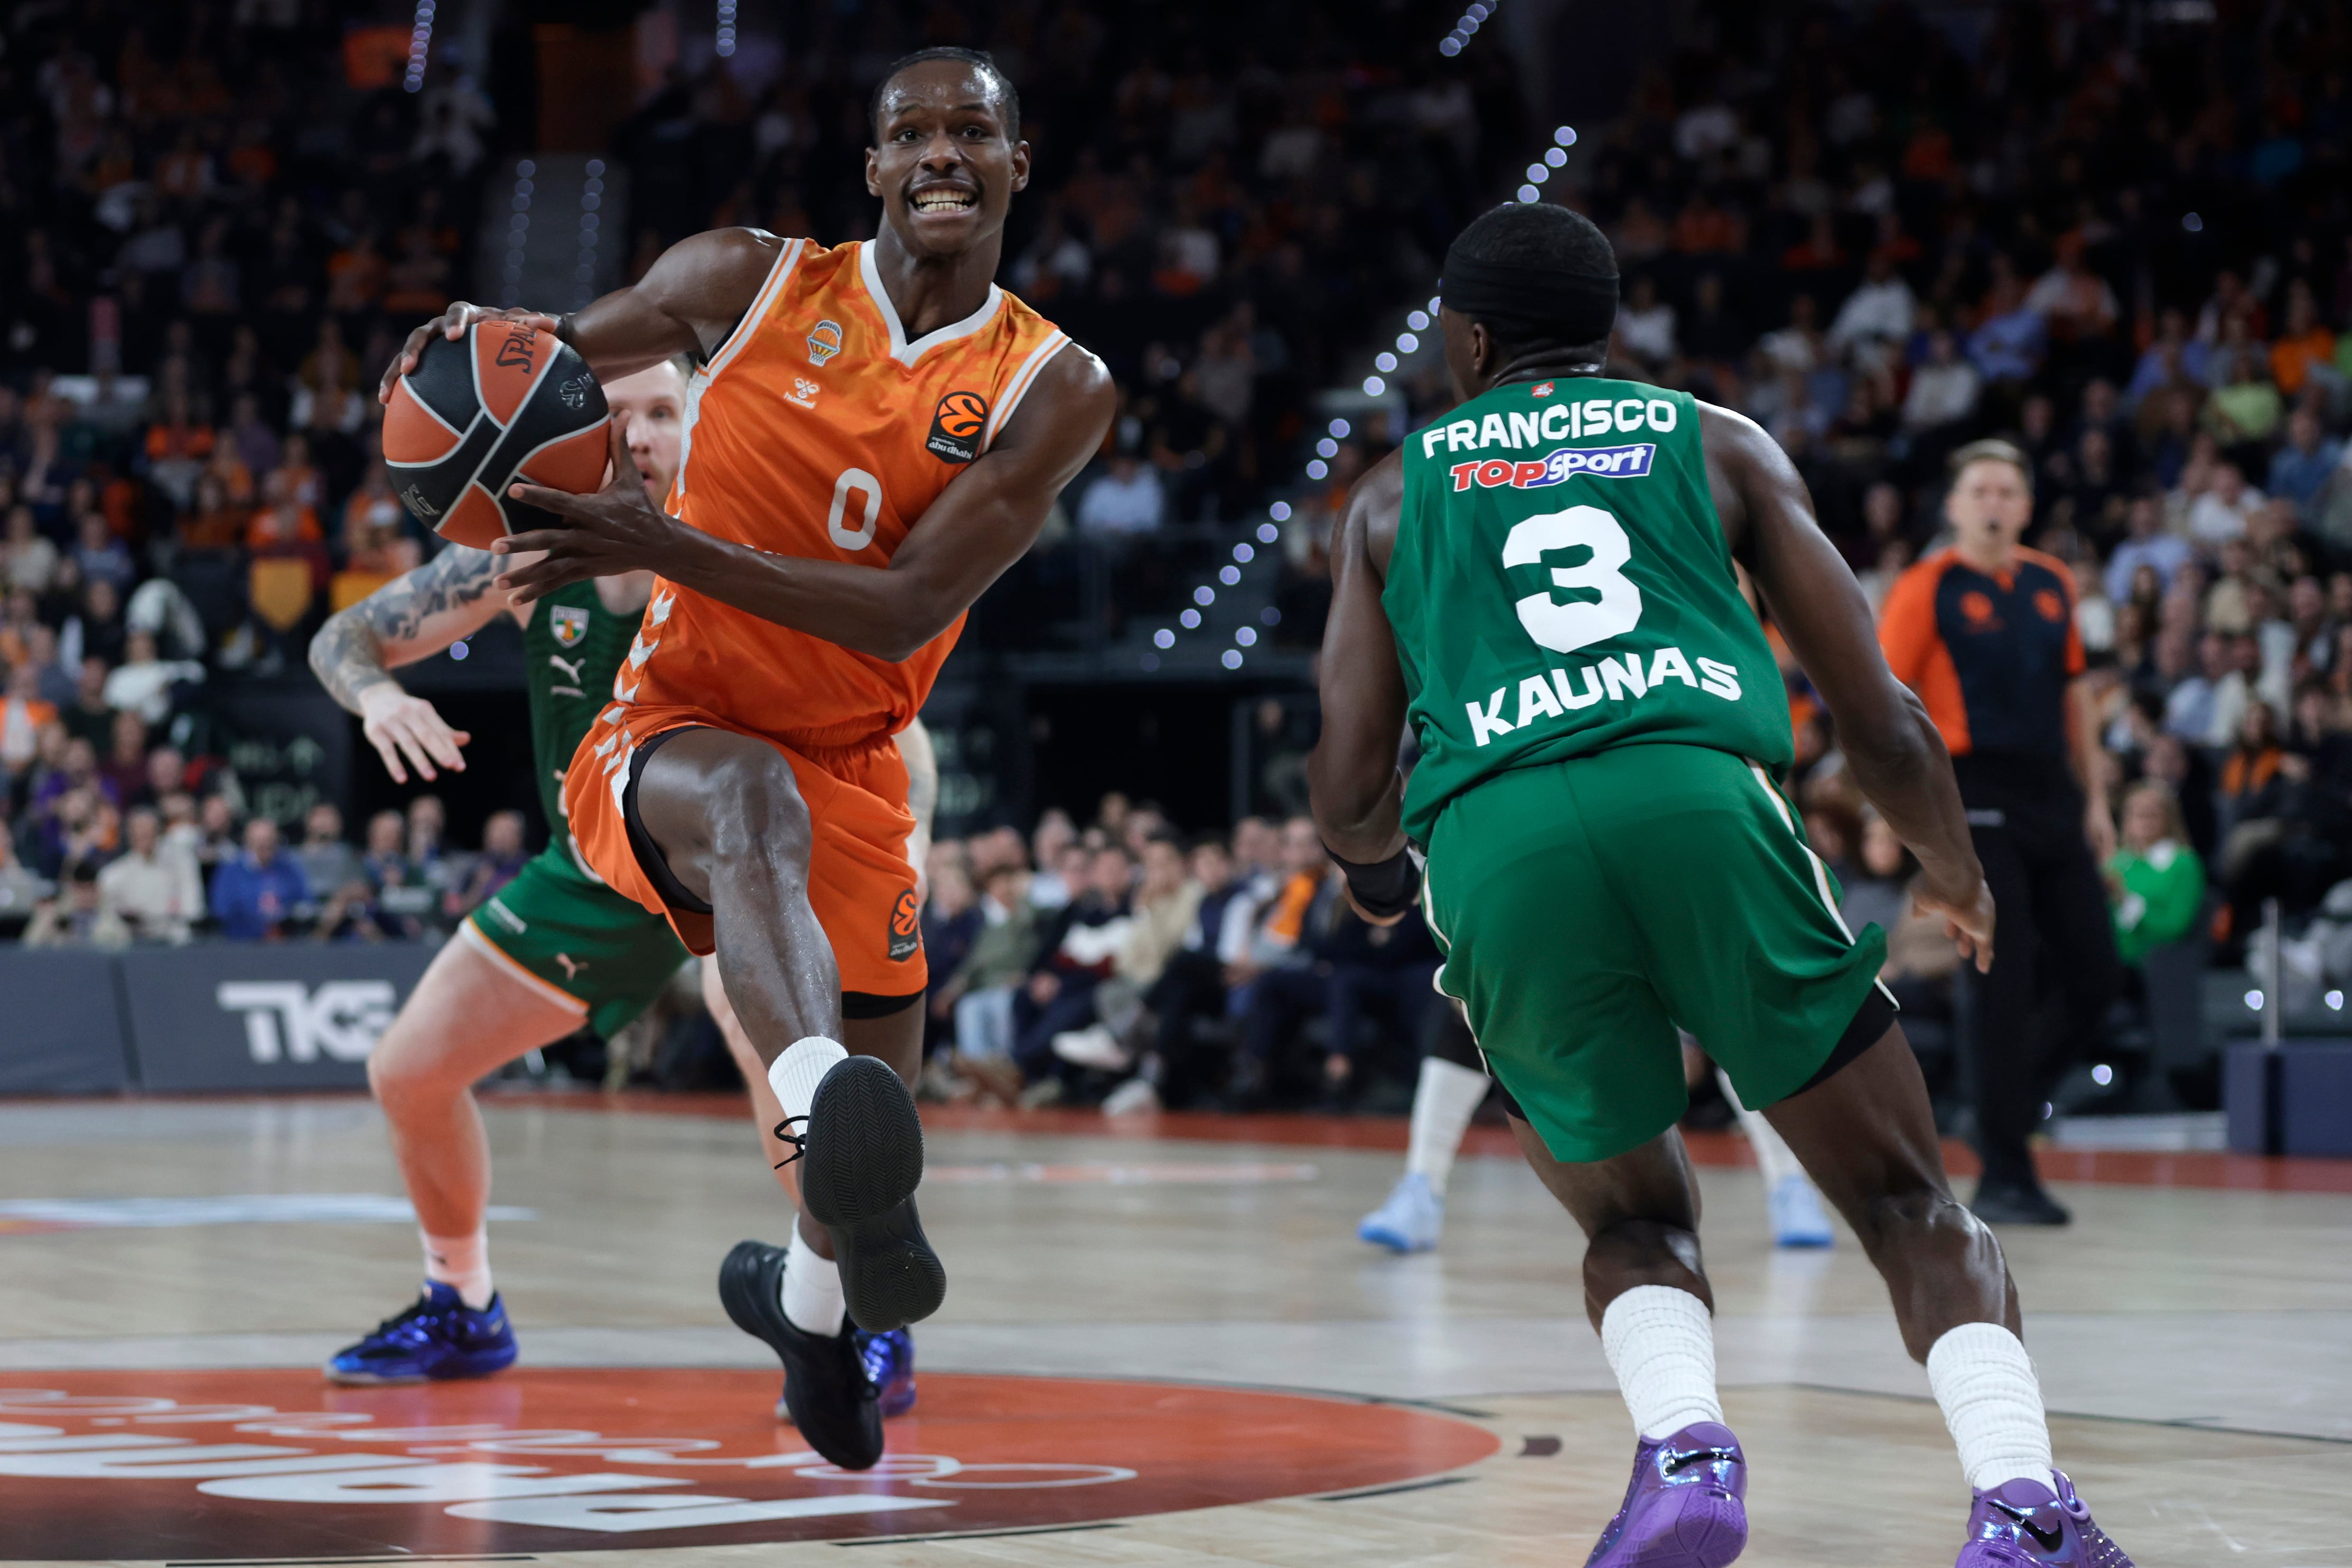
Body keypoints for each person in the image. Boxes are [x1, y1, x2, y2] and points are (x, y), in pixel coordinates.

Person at [1308, 202, 2129, 1567]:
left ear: (1467, 340)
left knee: (1632, 1217)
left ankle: (1686, 1451)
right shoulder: (1716, 441)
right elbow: (1883, 720)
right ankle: (2022, 1505)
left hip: (1499, 840)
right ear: (1606, 329)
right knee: (1909, 1201)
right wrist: (1952, 871)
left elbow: (1344, 784)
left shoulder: (1391, 496)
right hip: (1699, 798)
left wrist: (1381, 879)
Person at [376, 46, 1113, 1473]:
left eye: (972, 131)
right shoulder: (744, 280)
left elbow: (903, 607)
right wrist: (463, 359)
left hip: (859, 755)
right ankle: (817, 1091)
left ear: (1019, 164)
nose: (941, 153)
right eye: (911, 132)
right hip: (668, 729)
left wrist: (661, 541)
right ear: (872, 165)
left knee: (864, 1163)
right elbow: (543, 362)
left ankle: (809, 1314)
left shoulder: (1053, 385)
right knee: (760, 833)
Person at [312, 358, 931, 1421]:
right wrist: (376, 699)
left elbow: (897, 731)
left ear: (704, 420)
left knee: (781, 1053)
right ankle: (463, 1302)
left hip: (744, 863)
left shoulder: (753, 545)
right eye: (615, 414)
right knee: (408, 1070)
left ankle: (855, 1314)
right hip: (595, 867)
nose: (639, 434)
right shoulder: (528, 551)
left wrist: (909, 860)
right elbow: (344, 635)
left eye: (662, 411)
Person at [1880, 441, 2122, 1227]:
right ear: (1954, 505)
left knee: (2096, 974)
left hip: (2051, 790)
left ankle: (1995, 1109)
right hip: (1970, 793)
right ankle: (2006, 1174)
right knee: (1999, 981)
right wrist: (1901, 817)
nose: (1994, 502)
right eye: (1980, 489)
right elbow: (1884, 704)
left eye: (2007, 491)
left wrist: (2097, 801)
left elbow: (2076, 694)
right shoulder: (1926, 587)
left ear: (2025, 506)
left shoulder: (2052, 582)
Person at [210, 816, 312, 940]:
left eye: (270, 842)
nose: (265, 847)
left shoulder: (289, 869)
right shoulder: (230, 871)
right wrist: (257, 919)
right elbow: (221, 909)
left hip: (286, 940)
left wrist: (286, 914)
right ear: (247, 843)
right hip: (242, 942)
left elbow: (306, 902)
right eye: (259, 842)